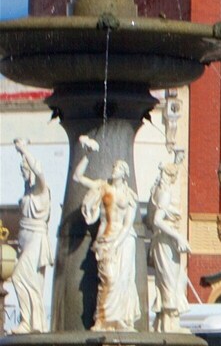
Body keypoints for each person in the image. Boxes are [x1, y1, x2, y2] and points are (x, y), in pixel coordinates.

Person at [74, 136, 141, 332]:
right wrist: (87, 154)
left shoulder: (130, 196)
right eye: (114, 166)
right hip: (105, 238)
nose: (114, 169)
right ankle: (102, 319)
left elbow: (129, 224)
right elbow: (78, 177)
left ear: (125, 173)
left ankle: (118, 319)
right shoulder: (103, 186)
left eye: (118, 168)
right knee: (108, 278)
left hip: (124, 240)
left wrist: (117, 243)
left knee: (123, 280)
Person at [9, 139, 53, 333]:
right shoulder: (28, 191)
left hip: (36, 238)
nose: (23, 172)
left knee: (19, 276)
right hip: (26, 239)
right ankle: (34, 323)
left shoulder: (42, 190)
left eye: (25, 169)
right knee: (32, 281)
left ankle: (28, 321)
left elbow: (39, 170)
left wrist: (24, 150)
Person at [147, 148, 191, 333]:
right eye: (174, 175)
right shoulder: (164, 194)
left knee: (172, 280)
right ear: (169, 177)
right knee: (171, 282)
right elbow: (157, 220)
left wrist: (177, 159)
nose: (175, 178)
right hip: (166, 241)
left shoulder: (157, 191)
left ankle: (163, 323)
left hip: (163, 241)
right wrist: (178, 236)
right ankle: (169, 326)